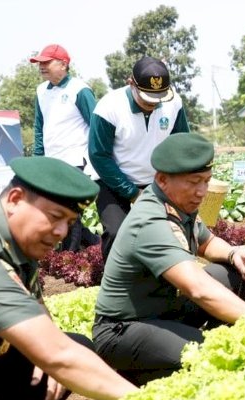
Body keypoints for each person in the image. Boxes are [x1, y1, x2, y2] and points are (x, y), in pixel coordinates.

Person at [93, 133, 245, 386]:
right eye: (194, 182)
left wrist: (235, 254)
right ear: (162, 179)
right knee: (212, 355)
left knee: (235, 273)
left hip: (166, 310)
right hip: (124, 330)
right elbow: (198, 289)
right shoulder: (150, 219)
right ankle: (138, 374)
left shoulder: (180, 204)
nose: (202, 191)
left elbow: (208, 243)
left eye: (206, 181)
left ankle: (177, 349)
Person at [0, 156, 137, 400]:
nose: (61, 232)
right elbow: (59, 355)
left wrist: (46, 351)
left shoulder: (16, 235)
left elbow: (35, 302)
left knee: (76, 346)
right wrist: (148, 399)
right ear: (15, 199)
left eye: (69, 222)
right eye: (54, 216)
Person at [89, 55, 190, 262]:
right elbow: (99, 155)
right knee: (117, 232)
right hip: (112, 178)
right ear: (130, 83)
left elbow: (181, 144)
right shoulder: (109, 107)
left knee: (175, 228)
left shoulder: (174, 103)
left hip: (156, 179)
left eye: (158, 97)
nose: (153, 104)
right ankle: (113, 284)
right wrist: (132, 192)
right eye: (147, 97)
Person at [30, 43, 99, 252]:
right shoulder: (41, 91)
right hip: (52, 162)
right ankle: (95, 246)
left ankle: (68, 256)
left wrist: (96, 160)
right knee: (56, 209)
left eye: (46, 62)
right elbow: (39, 127)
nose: (41, 66)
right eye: (39, 63)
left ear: (63, 63)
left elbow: (97, 126)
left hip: (76, 159)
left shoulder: (80, 89)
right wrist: (37, 158)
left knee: (67, 209)